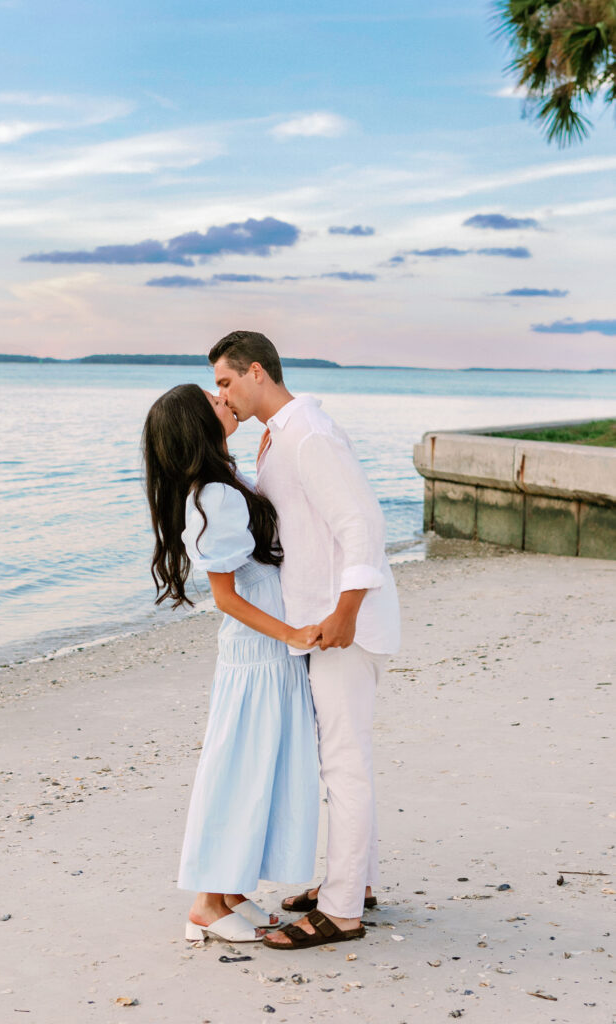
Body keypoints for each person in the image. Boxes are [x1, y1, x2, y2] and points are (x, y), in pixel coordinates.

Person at [209, 330, 401, 950]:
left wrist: (346, 611)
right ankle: (357, 883)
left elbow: (362, 522)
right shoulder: (277, 437)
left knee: (343, 764)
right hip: (319, 626)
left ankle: (343, 910)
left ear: (257, 372)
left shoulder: (309, 433)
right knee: (342, 759)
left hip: (341, 626)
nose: (223, 395)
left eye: (226, 382)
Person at [142, 383, 320, 943]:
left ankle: (231, 893)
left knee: (259, 768)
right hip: (258, 654)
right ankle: (205, 903)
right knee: (240, 773)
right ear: (200, 426)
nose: (228, 402)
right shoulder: (216, 495)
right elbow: (226, 596)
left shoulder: (223, 482)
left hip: (263, 653)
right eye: (215, 402)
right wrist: (292, 632)